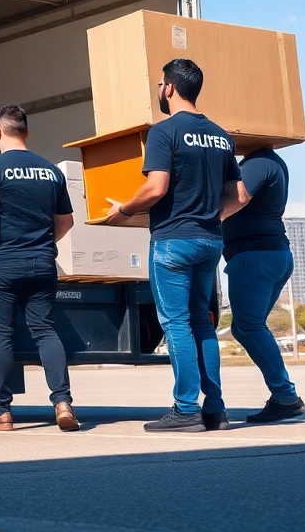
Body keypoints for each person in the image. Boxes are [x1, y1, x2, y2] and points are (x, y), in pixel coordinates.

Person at [106, 58, 248, 433]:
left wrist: (123, 210)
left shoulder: (163, 132)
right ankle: (215, 408)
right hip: (209, 241)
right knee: (202, 322)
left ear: (168, 87)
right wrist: (211, 218)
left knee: (177, 325)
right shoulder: (221, 136)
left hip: (173, 241)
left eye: (159, 85)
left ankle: (185, 409)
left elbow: (156, 188)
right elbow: (241, 196)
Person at [0, 105, 80, 432]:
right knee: (45, 331)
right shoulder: (50, 171)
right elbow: (66, 221)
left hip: (3, 264)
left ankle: (0, 412)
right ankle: (63, 403)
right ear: (27, 132)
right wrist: (44, 243)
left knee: (1, 336)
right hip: (43, 262)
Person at [222, 145, 305, 423]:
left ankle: (286, 397)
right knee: (246, 326)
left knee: (248, 326)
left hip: (254, 255)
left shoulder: (259, 161)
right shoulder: (268, 162)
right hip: (269, 254)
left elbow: (241, 196)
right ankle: (284, 396)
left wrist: (201, 220)